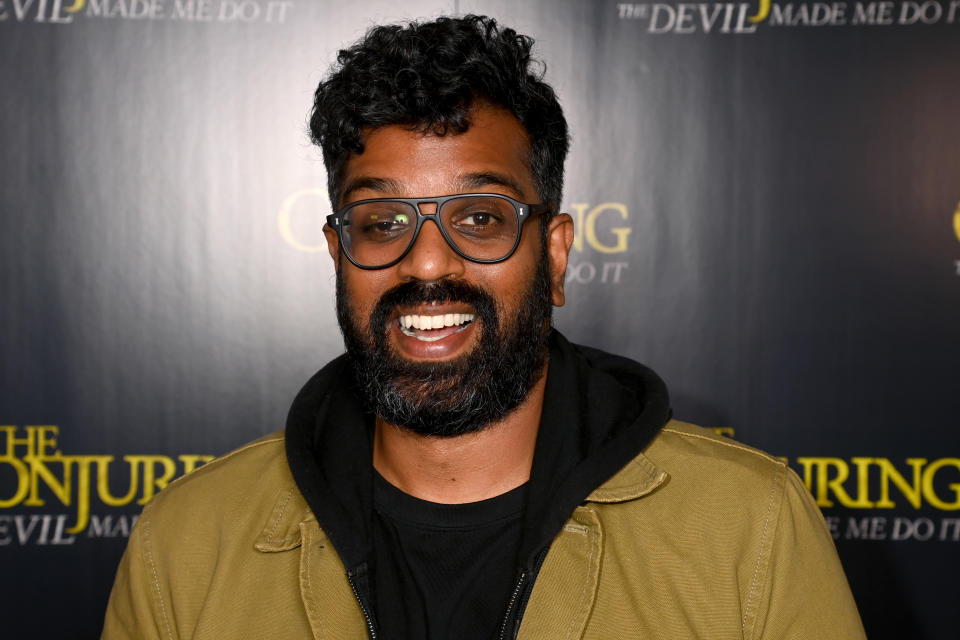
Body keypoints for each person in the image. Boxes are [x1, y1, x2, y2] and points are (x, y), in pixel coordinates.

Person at [102, 14, 866, 640]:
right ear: (339, 254)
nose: (428, 263)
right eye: (383, 220)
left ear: (556, 255)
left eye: (479, 216)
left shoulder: (750, 531)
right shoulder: (187, 548)